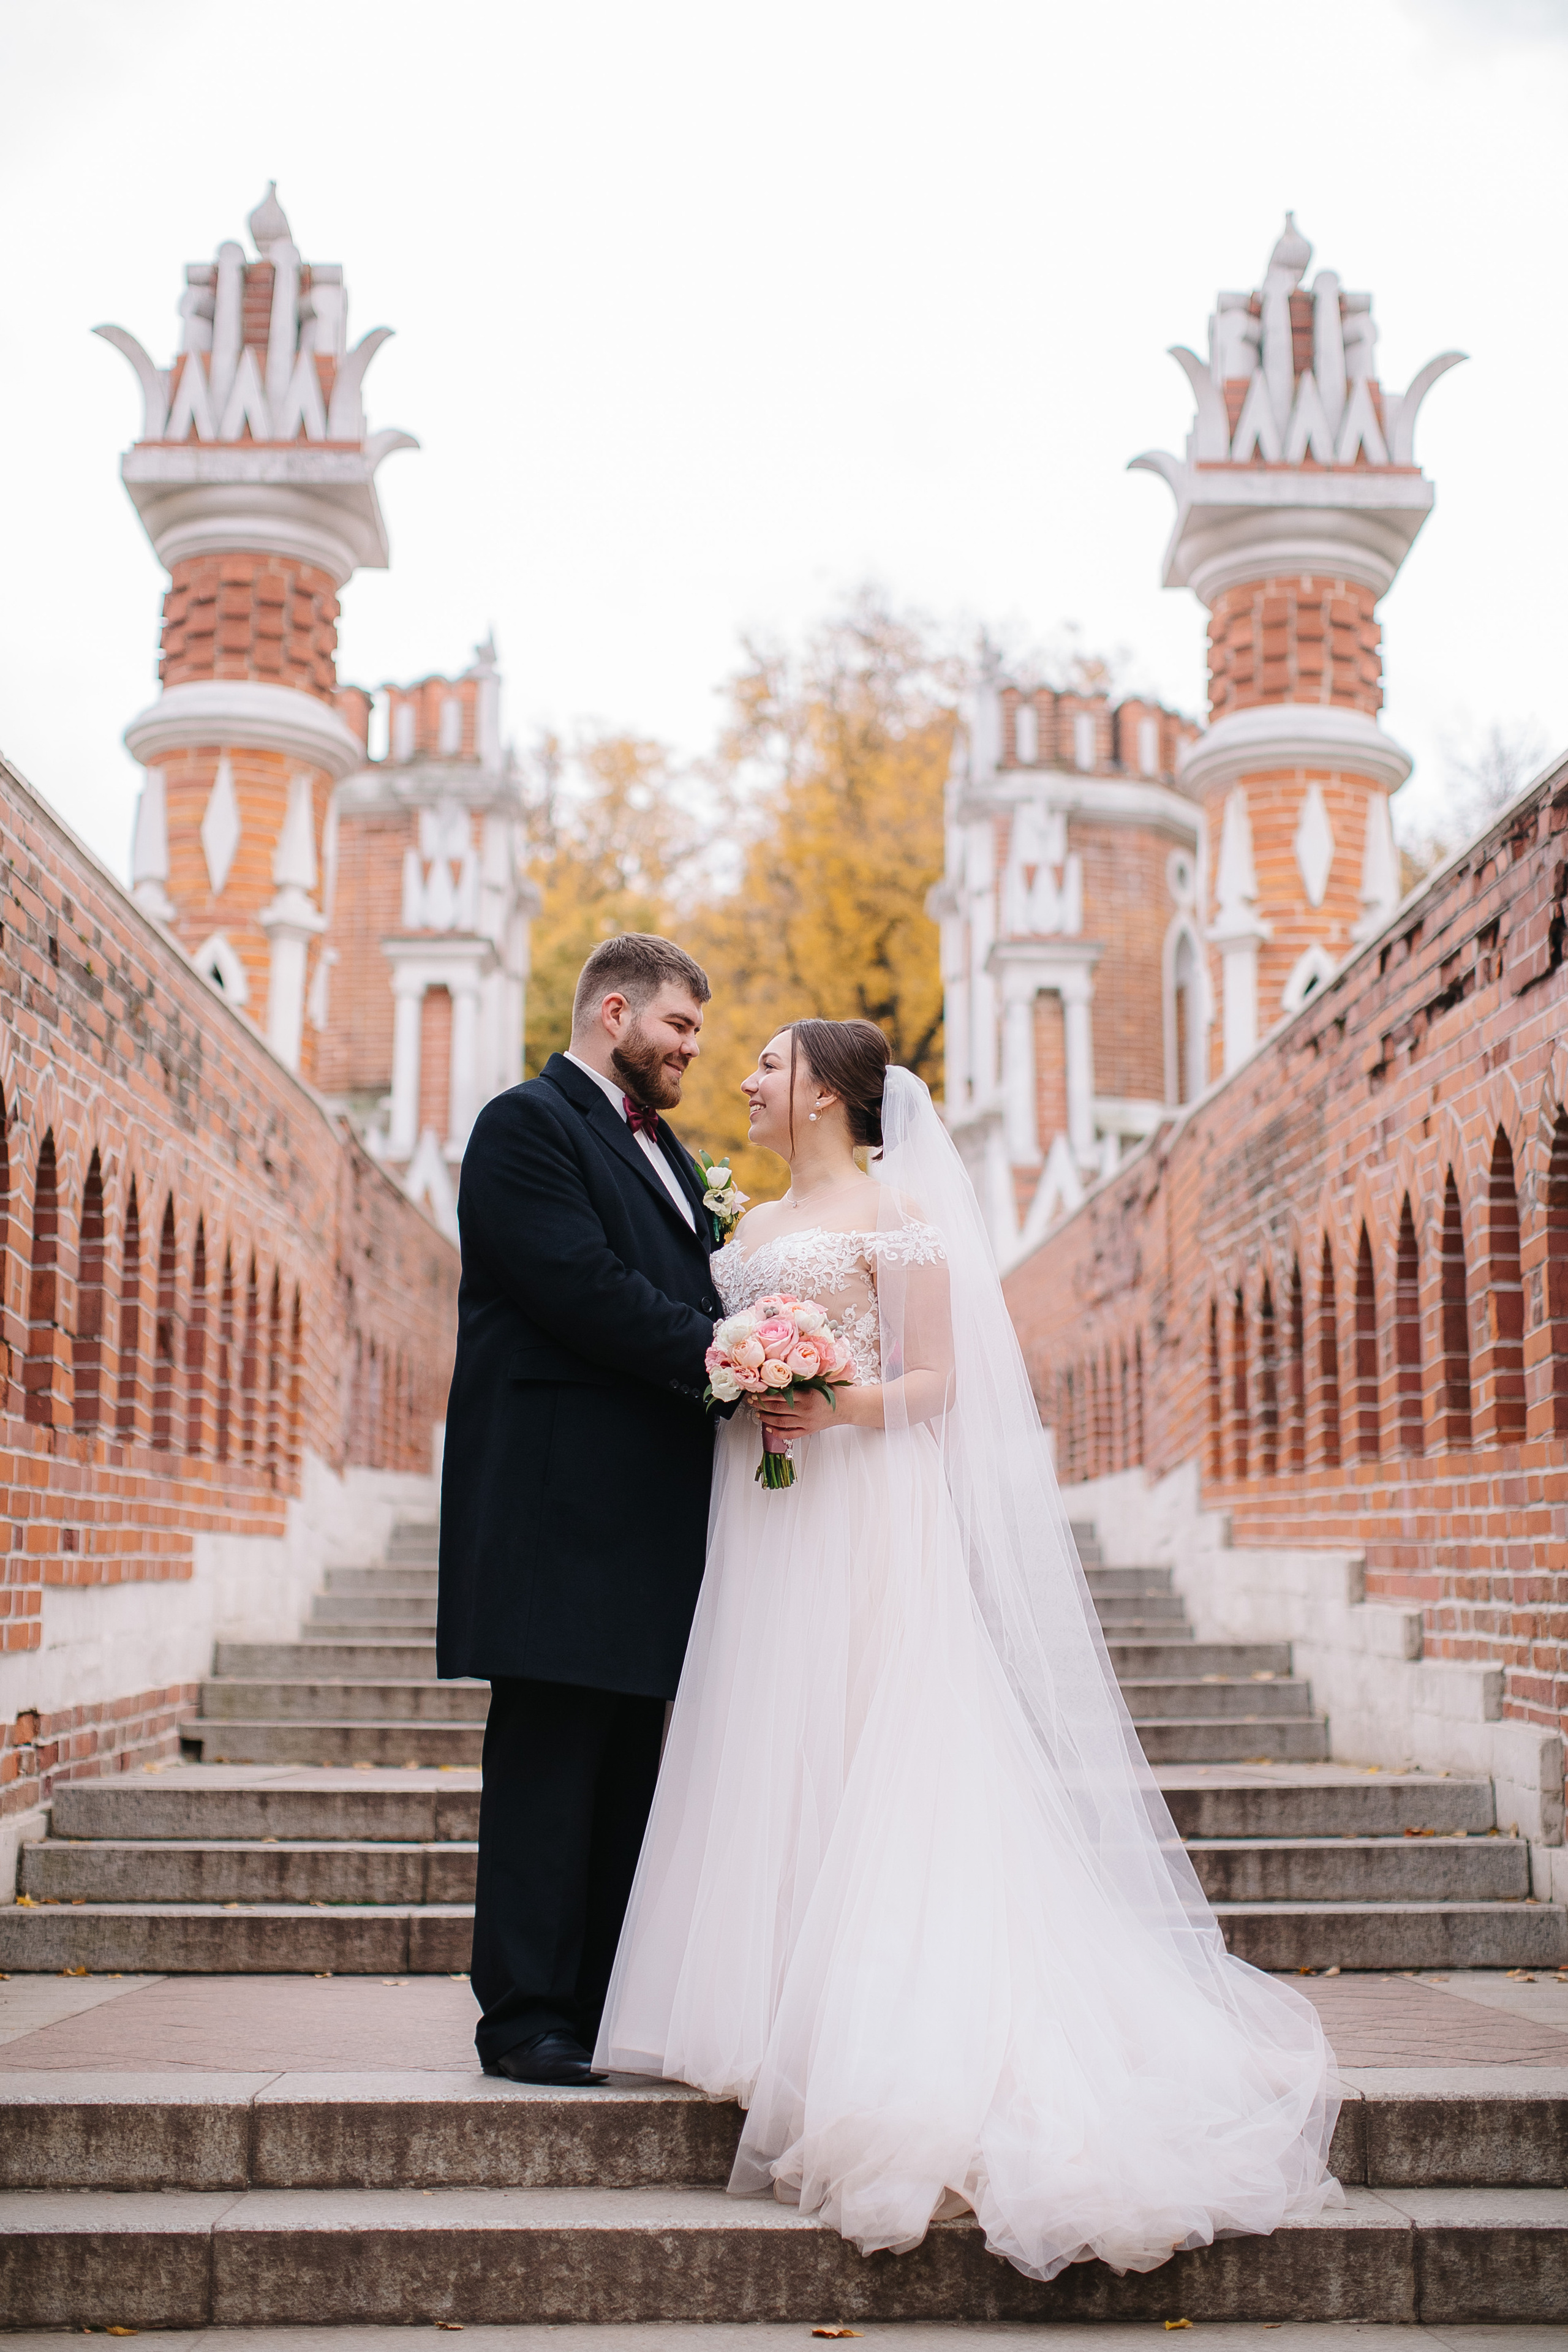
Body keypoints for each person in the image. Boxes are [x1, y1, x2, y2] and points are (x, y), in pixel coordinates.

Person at [597, 1017, 1342, 2280]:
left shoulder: (901, 1220)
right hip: (762, 1515)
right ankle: (769, 2010)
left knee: (877, 1744)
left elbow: (937, 1380)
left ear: (825, 1095)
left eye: (768, 1067)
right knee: (770, 1738)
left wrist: (828, 1402)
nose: (742, 1081)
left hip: (864, 1504)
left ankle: (881, 2027)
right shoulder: (739, 1231)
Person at [437, 933, 723, 2087]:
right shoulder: (527, 1126)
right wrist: (731, 1357)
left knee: (627, 1769)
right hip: (557, 1509)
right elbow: (579, 1287)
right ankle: (524, 2017)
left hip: (649, 1510)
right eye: (680, 1027)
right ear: (615, 1011)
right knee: (552, 1763)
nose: (691, 1051)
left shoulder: (671, 1154)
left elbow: (697, 1273)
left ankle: (601, 2001)